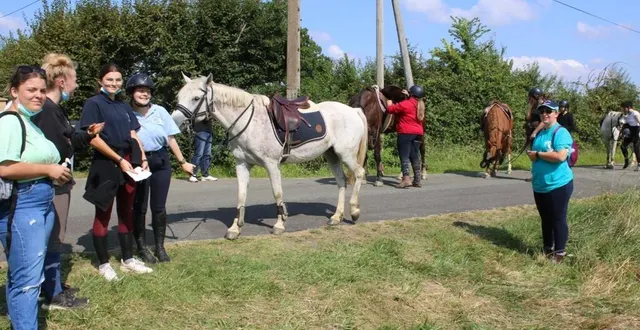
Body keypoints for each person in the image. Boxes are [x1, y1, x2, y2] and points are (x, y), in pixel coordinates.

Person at [0, 65, 72, 329]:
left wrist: (55, 173)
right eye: (31, 90)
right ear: (14, 91)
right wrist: (48, 169)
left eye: (42, 90)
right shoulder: (10, 121)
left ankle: (20, 319)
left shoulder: (30, 121)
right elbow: (5, 167)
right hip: (23, 204)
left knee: (26, 273)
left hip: (41, 200)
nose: (39, 95)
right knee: (27, 280)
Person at [31, 53, 96, 309]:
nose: (76, 85)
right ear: (61, 81)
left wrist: (87, 134)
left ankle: (51, 286)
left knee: (53, 237)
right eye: (75, 80)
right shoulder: (47, 109)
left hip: (59, 181)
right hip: (53, 184)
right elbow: (56, 148)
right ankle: (53, 294)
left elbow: (67, 139)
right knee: (54, 238)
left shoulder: (53, 109)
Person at [78, 63, 153, 282]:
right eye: (110, 79)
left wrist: (143, 157)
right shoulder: (93, 104)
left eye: (118, 80)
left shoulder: (123, 106)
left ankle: (128, 259)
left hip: (129, 163)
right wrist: (119, 160)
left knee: (126, 211)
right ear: (101, 80)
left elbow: (133, 134)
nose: (114, 84)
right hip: (106, 163)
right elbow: (93, 138)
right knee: (103, 213)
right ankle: (103, 264)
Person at [125, 73, 195, 263]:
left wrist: (182, 162)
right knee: (139, 206)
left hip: (161, 161)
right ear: (132, 92)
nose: (144, 94)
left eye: (147, 91)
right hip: (139, 162)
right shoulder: (126, 112)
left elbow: (170, 138)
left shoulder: (160, 111)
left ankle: (160, 247)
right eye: (140, 90)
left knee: (158, 207)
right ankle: (141, 246)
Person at [526, 100, 574, 264]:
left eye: (548, 111)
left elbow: (560, 156)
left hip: (558, 184)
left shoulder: (561, 132)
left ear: (556, 113)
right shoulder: (541, 133)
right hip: (540, 184)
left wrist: (538, 155)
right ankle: (547, 249)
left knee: (558, 218)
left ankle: (559, 253)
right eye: (542, 111)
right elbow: (538, 154)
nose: (544, 114)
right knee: (545, 218)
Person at [385, 84, 426, 188]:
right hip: (418, 133)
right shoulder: (420, 105)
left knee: (404, 156)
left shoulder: (405, 104)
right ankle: (417, 180)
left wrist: (389, 104)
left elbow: (391, 110)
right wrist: (408, 96)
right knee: (414, 155)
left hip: (406, 132)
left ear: (411, 94)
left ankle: (406, 179)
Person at [188, 117, 218, 183]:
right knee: (199, 154)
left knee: (207, 154)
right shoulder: (199, 108)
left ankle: (205, 175)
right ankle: (192, 175)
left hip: (209, 131)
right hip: (200, 130)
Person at [619, 101, 640, 170]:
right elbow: (626, 124)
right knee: (623, 146)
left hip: (637, 131)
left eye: (624, 108)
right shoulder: (627, 115)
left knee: (636, 148)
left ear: (628, 107)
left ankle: (639, 164)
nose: (623, 109)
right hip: (630, 132)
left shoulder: (635, 113)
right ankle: (626, 160)